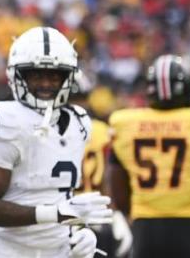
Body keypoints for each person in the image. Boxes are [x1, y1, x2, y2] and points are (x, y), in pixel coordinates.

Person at [0, 26, 113, 258]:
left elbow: (61, 198)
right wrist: (55, 214)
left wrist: (79, 230)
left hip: (59, 250)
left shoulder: (79, 122)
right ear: (18, 76)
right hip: (10, 252)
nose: (46, 84)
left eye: (54, 75)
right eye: (36, 75)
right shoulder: (8, 120)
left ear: (68, 77)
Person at [108, 54, 190, 258]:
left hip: (145, 231)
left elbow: (119, 195)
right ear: (189, 87)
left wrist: (148, 211)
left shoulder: (125, 123)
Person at [68, 71, 131, 258]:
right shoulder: (102, 130)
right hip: (100, 214)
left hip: (68, 217)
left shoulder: (53, 132)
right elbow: (110, 178)